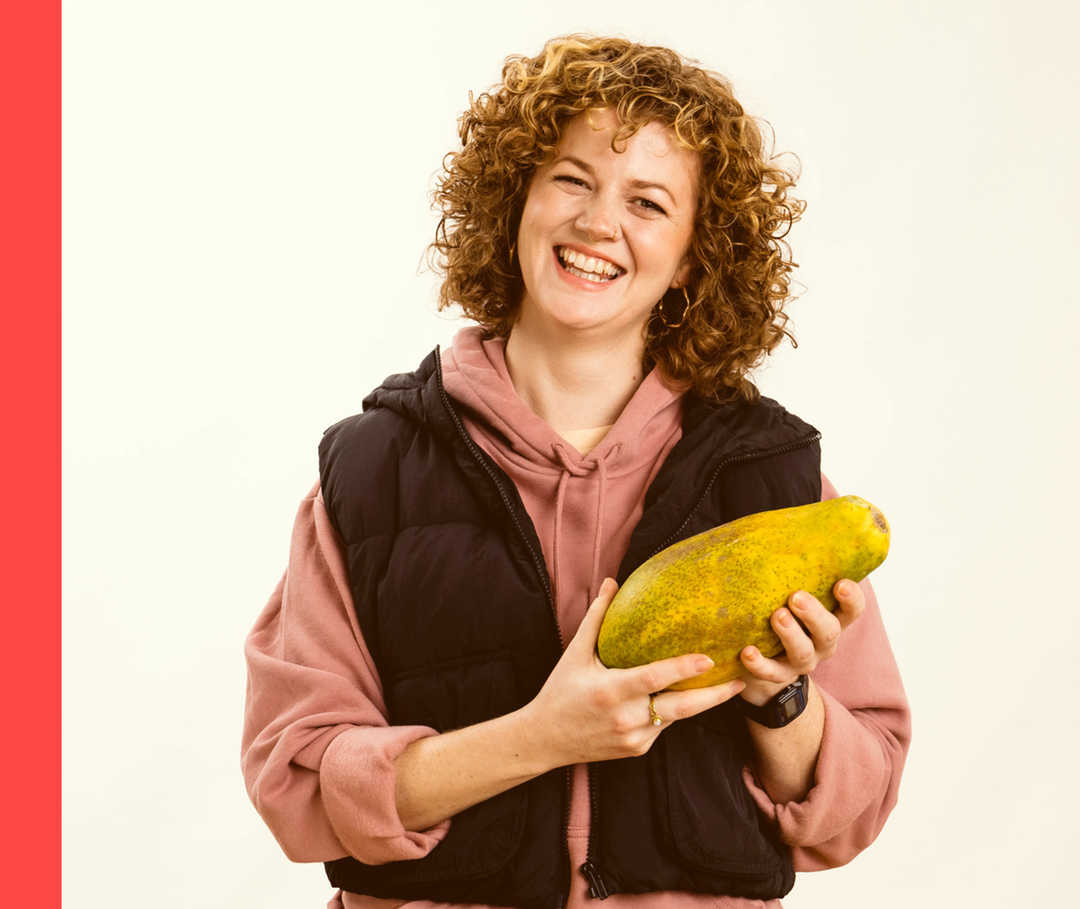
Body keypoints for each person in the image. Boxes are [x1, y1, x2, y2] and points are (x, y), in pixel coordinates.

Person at [241, 34, 911, 909]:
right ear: (513, 197)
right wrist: (540, 737)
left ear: (692, 257)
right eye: (571, 179)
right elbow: (297, 785)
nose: (600, 223)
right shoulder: (370, 475)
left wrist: (778, 692)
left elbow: (848, 816)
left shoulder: (770, 478)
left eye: (648, 202)